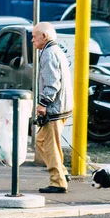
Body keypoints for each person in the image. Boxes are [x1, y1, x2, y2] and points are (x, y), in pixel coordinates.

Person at [32, 22, 73, 194]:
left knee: (48, 144)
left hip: (55, 108)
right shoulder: (54, 51)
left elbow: (52, 83)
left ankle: (58, 181)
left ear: (45, 36)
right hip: (62, 105)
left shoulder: (48, 53)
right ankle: (62, 172)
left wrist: (43, 103)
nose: (32, 40)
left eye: (34, 36)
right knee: (41, 141)